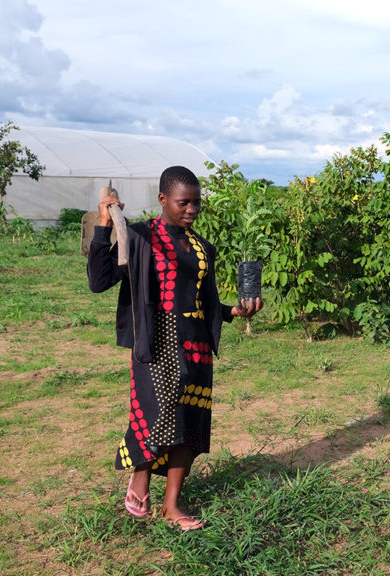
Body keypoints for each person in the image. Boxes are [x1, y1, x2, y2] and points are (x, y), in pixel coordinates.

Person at [88, 166, 262, 531]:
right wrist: (105, 224)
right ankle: (140, 477)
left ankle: (171, 505)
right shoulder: (139, 238)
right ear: (163, 199)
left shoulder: (201, 248)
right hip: (158, 339)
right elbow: (99, 280)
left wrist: (236, 310)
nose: (192, 210)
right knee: (155, 416)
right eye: (184, 203)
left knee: (190, 422)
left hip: (195, 341)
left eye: (197, 203)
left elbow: (209, 302)